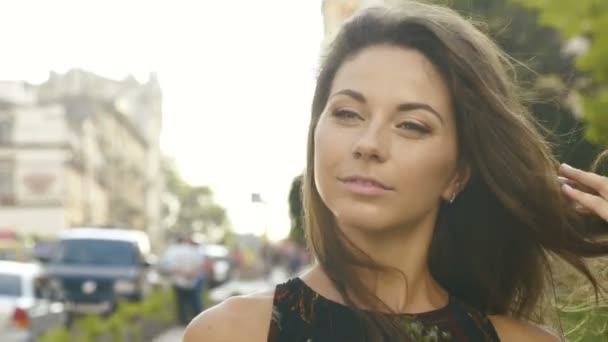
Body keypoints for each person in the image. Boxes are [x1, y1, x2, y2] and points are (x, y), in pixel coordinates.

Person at [184, 2, 608, 341]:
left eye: (411, 125)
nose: (368, 143)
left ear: (458, 173)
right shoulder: (230, 332)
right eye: (348, 113)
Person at [160, 235, 204, 325]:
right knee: (195, 302)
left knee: (181, 303)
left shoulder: (172, 251)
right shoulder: (193, 250)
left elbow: (168, 266)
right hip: (192, 280)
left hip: (178, 281)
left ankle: (183, 321)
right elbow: (200, 264)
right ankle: (198, 321)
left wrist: (182, 273)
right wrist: (191, 273)